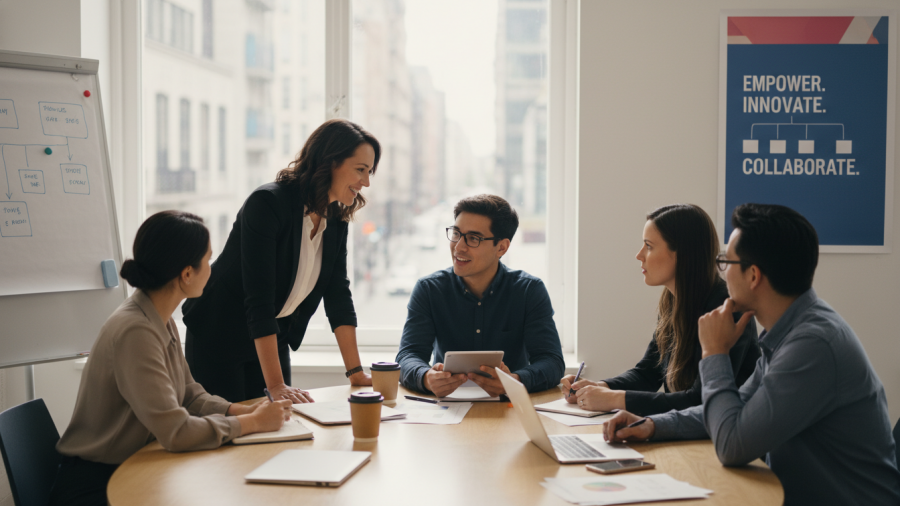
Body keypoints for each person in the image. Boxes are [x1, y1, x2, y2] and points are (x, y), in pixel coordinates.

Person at [603, 204, 900, 505]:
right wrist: (653, 425)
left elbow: (732, 444)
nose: (721, 271)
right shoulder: (788, 331)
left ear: (753, 275)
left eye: (726, 261)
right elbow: (738, 405)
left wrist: (714, 353)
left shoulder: (813, 345)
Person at [49, 211, 292, 506]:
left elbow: (189, 396)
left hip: (132, 465)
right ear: (186, 274)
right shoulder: (135, 331)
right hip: (98, 484)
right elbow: (176, 431)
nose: (212, 270)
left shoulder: (158, 316)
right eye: (208, 261)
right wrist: (252, 424)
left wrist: (241, 412)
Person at [182, 119, 380, 403]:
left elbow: (338, 294)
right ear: (330, 161)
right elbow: (259, 299)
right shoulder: (267, 204)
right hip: (221, 332)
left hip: (272, 334)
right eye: (360, 170)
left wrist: (356, 373)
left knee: (282, 424)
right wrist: (275, 386)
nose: (366, 182)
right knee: (230, 436)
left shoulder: (336, 219)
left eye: (370, 172)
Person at [560, 204, 759, 415]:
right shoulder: (673, 301)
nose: (639, 255)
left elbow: (699, 400)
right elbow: (648, 372)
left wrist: (616, 399)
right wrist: (601, 387)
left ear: (682, 254)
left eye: (649, 246)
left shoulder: (725, 310)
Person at [396, 194, 564, 397]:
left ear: (501, 247)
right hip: (445, 410)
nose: (458, 246)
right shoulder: (429, 289)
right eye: (456, 234)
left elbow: (552, 362)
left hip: (508, 408)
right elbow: (408, 355)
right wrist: (425, 378)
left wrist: (514, 382)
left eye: (473, 238)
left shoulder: (529, 291)